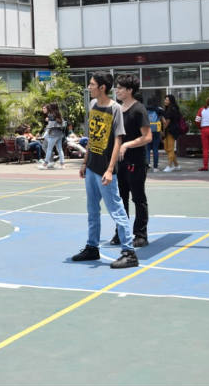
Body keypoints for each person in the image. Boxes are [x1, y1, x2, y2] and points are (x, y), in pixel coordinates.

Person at [70, 72, 138, 269]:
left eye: (91, 84)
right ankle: (92, 247)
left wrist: (110, 169)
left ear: (102, 87)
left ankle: (129, 252)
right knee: (92, 210)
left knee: (116, 210)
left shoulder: (115, 109)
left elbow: (118, 140)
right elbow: (92, 136)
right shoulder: (92, 105)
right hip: (91, 167)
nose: (89, 87)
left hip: (105, 169)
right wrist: (84, 162)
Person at [110, 75, 152, 248]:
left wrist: (127, 144)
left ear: (129, 90)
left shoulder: (138, 109)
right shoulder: (117, 109)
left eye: (120, 88)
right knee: (120, 199)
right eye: (117, 88)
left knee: (138, 198)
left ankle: (141, 235)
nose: (117, 90)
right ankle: (121, 232)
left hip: (136, 162)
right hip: (120, 162)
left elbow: (147, 137)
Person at [38, 103, 65, 169]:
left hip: (53, 135)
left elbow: (50, 125)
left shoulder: (51, 115)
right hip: (60, 134)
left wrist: (48, 120)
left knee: (49, 149)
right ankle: (62, 165)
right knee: (60, 149)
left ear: (52, 107)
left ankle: (45, 164)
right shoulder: (59, 114)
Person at [161, 94, 183, 172]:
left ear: (170, 101)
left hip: (171, 131)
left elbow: (167, 122)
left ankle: (169, 166)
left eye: (167, 100)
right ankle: (176, 165)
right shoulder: (169, 109)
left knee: (170, 148)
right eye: (165, 99)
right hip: (169, 131)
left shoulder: (171, 109)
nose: (165, 101)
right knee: (167, 149)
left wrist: (163, 130)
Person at [145, 95, 164, 172]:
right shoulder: (159, 109)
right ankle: (155, 167)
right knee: (155, 149)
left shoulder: (145, 108)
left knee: (148, 149)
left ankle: (147, 164)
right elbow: (163, 117)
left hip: (147, 130)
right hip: (156, 130)